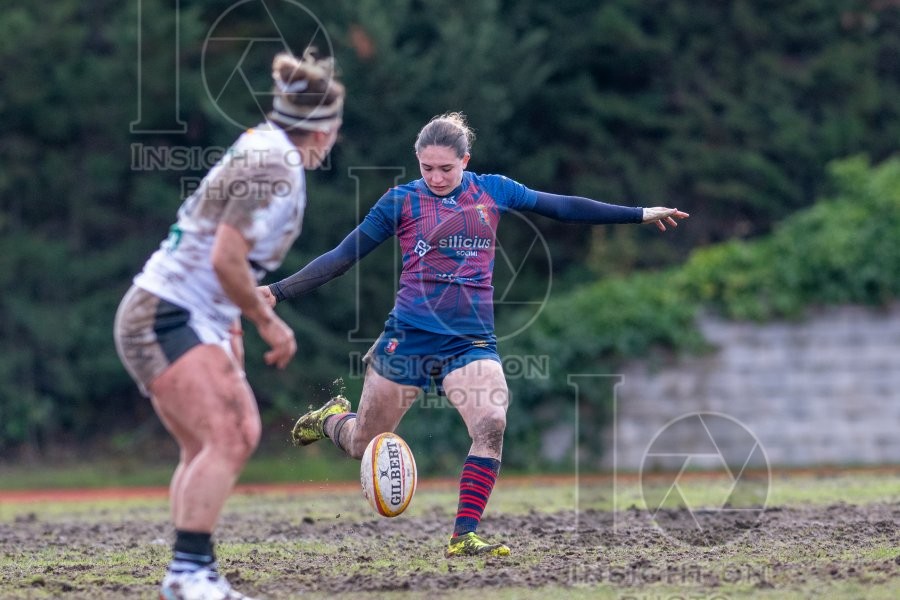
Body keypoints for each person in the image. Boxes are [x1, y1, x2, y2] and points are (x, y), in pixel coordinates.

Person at [260, 112, 688, 558]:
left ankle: (463, 535)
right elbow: (343, 256)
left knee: (491, 422)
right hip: (408, 336)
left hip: (470, 340)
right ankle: (331, 419)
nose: (436, 177)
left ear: (466, 160)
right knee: (361, 444)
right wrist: (277, 291)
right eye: (427, 168)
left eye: (446, 168)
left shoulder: (494, 190)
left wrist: (638, 214)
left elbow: (562, 206)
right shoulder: (401, 202)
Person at [114, 50, 344, 600]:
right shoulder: (277, 163)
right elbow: (225, 257)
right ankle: (189, 573)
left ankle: (190, 572)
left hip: (177, 311)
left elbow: (224, 260)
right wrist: (267, 321)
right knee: (234, 432)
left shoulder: (266, 146)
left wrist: (228, 329)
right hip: (166, 312)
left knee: (205, 444)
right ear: (323, 131)